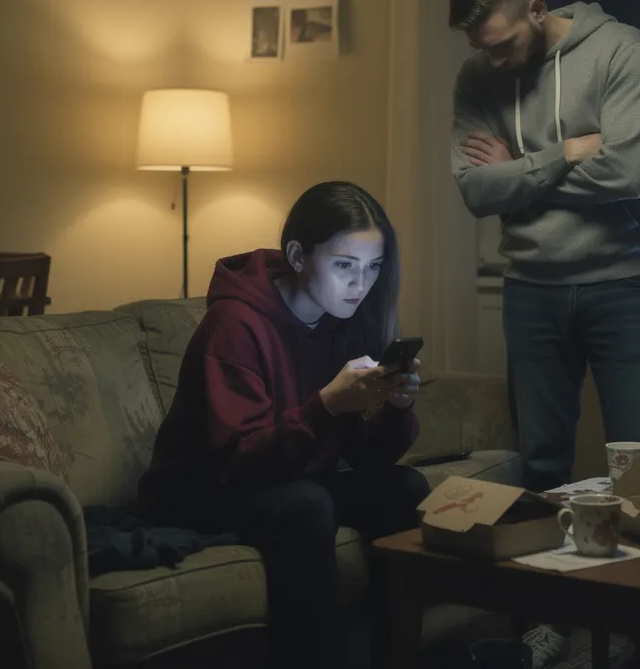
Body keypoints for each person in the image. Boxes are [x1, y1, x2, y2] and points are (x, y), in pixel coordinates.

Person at [447, 0, 640, 668]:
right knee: (540, 466)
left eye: (505, 44)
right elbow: (474, 191)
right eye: (481, 49)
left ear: (537, 12)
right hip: (532, 290)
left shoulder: (620, 50)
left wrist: (517, 166)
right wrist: (564, 152)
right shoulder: (479, 72)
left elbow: (626, 174)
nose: (494, 63)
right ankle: (550, 622)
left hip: (624, 282)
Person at [136, 181, 428, 669]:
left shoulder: (343, 321)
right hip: (201, 493)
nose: (361, 285)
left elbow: (364, 458)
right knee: (306, 505)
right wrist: (327, 407)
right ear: (297, 255)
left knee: (403, 487)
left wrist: (396, 407)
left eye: (373, 268)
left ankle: (394, 656)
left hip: (285, 480)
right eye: (344, 266)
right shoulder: (235, 324)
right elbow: (238, 461)